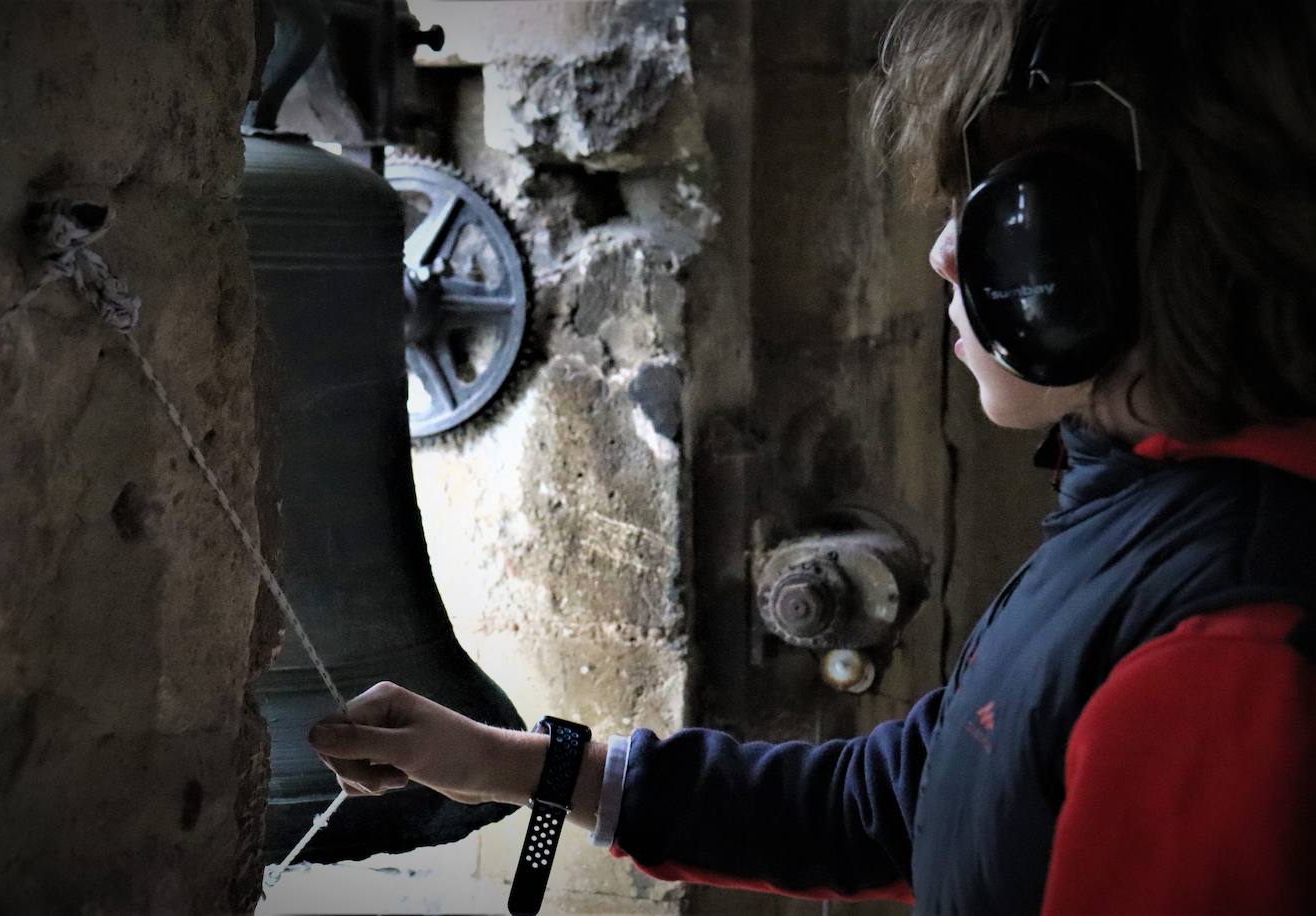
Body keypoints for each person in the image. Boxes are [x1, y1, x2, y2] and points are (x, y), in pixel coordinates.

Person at [306, 0, 1316, 911]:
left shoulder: (1221, 660)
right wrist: (525, 767)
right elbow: (900, 804)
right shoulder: (1136, 506)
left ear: (1088, 248)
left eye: (991, 204)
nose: (943, 255)